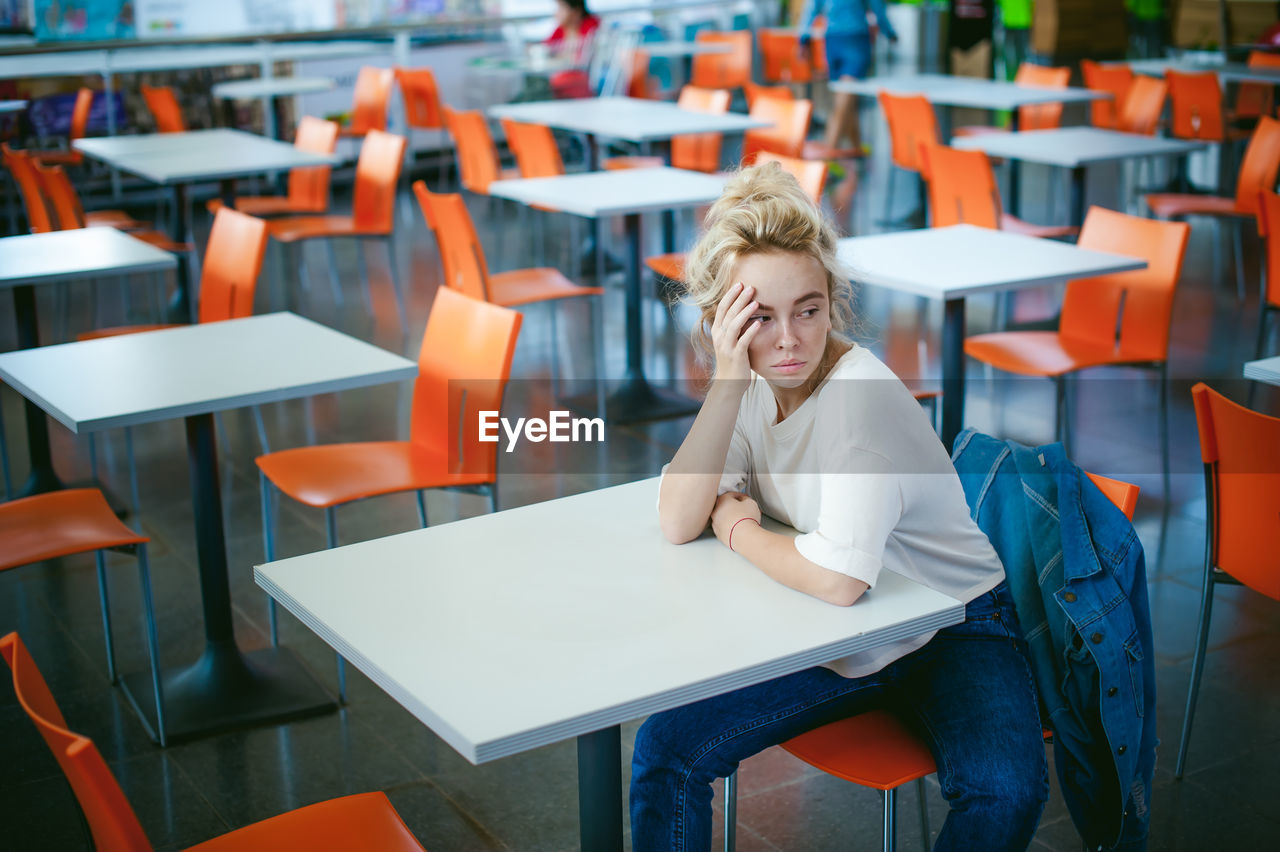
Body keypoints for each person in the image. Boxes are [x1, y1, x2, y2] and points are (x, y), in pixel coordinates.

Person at [631, 162, 1048, 851]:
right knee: (667, 749)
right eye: (759, 317)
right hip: (835, 637)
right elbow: (678, 519)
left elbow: (837, 579)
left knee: (1005, 792)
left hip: (954, 619)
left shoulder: (861, 395)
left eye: (809, 310)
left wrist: (735, 526)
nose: (790, 339)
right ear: (722, 321)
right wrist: (729, 381)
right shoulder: (749, 380)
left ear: (833, 303)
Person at [799, 0, 898, 152]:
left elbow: (811, 10)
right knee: (845, 100)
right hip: (845, 41)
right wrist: (889, 33)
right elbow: (878, 9)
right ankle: (842, 156)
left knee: (844, 99)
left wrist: (803, 38)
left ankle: (842, 153)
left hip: (841, 41)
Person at [543, 0, 600, 99]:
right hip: (563, 77)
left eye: (561, 8)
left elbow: (582, 59)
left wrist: (560, 55)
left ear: (576, 11)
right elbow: (545, 49)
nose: (557, 13)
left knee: (542, 88)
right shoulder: (561, 29)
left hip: (585, 82)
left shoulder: (591, 26)